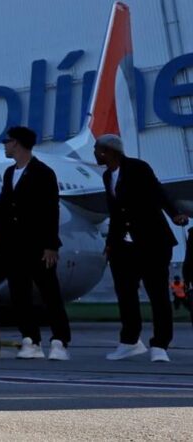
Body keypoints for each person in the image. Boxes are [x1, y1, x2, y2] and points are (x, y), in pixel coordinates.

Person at [0, 126, 71, 361]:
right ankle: (31, 340)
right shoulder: (10, 173)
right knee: (20, 295)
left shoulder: (44, 173)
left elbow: (51, 210)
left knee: (50, 294)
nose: (4, 145)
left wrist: (51, 245)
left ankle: (59, 341)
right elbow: (3, 203)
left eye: (7, 141)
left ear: (17, 143)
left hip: (39, 246)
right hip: (15, 246)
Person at [94, 134, 188, 362]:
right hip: (123, 246)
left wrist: (175, 214)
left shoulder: (138, 168)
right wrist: (109, 244)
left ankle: (160, 345)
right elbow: (116, 214)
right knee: (125, 294)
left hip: (152, 243)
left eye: (97, 150)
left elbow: (159, 193)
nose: (95, 154)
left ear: (109, 151)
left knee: (157, 295)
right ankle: (130, 342)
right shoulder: (108, 176)